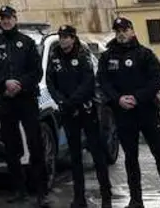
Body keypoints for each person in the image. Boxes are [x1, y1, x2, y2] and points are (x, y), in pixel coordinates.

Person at [98, 17, 160, 208]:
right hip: (124, 114)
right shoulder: (108, 57)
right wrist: (118, 99)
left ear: (132, 31)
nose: (121, 34)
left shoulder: (145, 54)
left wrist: (138, 97)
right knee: (130, 159)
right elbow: (103, 81)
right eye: (118, 31)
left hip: (147, 112)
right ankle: (135, 200)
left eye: (125, 30)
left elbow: (156, 79)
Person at [0, 5, 50, 208]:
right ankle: (18, 189)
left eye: (9, 17)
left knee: (35, 145)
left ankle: (41, 191)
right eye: (3, 18)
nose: (6, 21)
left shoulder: (27, 42)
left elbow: (36, 72)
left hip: (26, 100)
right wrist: (4, 82)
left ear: (15, 19)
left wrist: (19, 84)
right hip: (6, 100)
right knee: (11, 147)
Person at [45, 25, 111, 208]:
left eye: (67, 36)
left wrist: (72, 101)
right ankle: (79, 196)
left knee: (97, 153)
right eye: (61, 36)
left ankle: (106, 195)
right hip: (67, 111)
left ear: (73, 38)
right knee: (74, 156)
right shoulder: (55, 56)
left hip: (85, 109)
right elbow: (50, 80)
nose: (63, 40)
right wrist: (60, 100)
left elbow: (88, 82)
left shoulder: (83, 54)